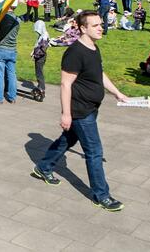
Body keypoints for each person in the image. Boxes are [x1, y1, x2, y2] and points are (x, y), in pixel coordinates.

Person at [30, 11, 128, 212]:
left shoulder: (93, 47)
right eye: (96, 25)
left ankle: (43, 167)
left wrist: (117, 93)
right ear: (83, 28)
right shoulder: (74, 52)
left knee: (67, 140)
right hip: (80, 110)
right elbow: (65, 85)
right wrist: (66, 114)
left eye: (101, 24)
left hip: (92, 108)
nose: (101, 28)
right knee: (94, 151)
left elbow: (98, 73)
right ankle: (102, 195)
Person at [0, 0, 20, 104]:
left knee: (0, 74)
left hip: (1, 48)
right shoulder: (17, 19)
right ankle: (12, 97)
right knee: (12, 74)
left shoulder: (2, 18)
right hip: (12, 49)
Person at [32, 20, 49, 98]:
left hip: (40, 57)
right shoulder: (42, 35)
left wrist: (35, 54)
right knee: (38, 71)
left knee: (39, 73)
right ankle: (40, 86)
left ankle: (42, 88)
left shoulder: (44, 36)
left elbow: (43, 48)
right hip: (40, 56)